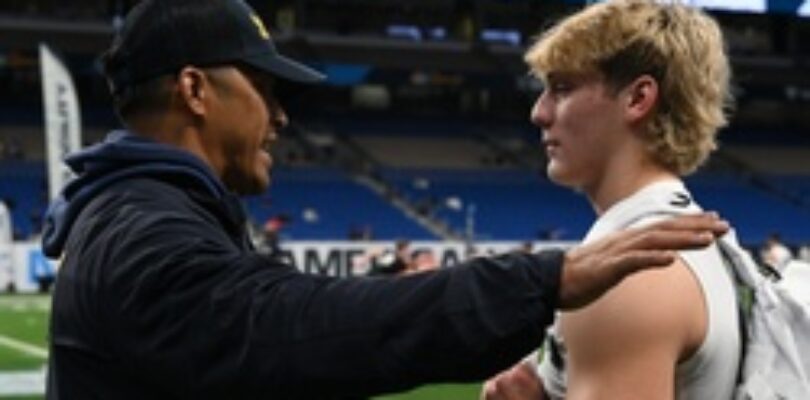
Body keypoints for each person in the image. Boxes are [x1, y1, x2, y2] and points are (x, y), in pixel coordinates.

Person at [42, 0, 729, 399]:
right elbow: (284, 327)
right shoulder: (140, 229)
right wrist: (544, 278)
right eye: (266, 90)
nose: (280, 118)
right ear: (194, 91)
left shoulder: (141, 216)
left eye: (562, 89)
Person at [483, 1, 745, 399]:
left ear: (638, 98)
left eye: (563, 88)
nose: (540, 112)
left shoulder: (631, 272)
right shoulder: (676, 238)